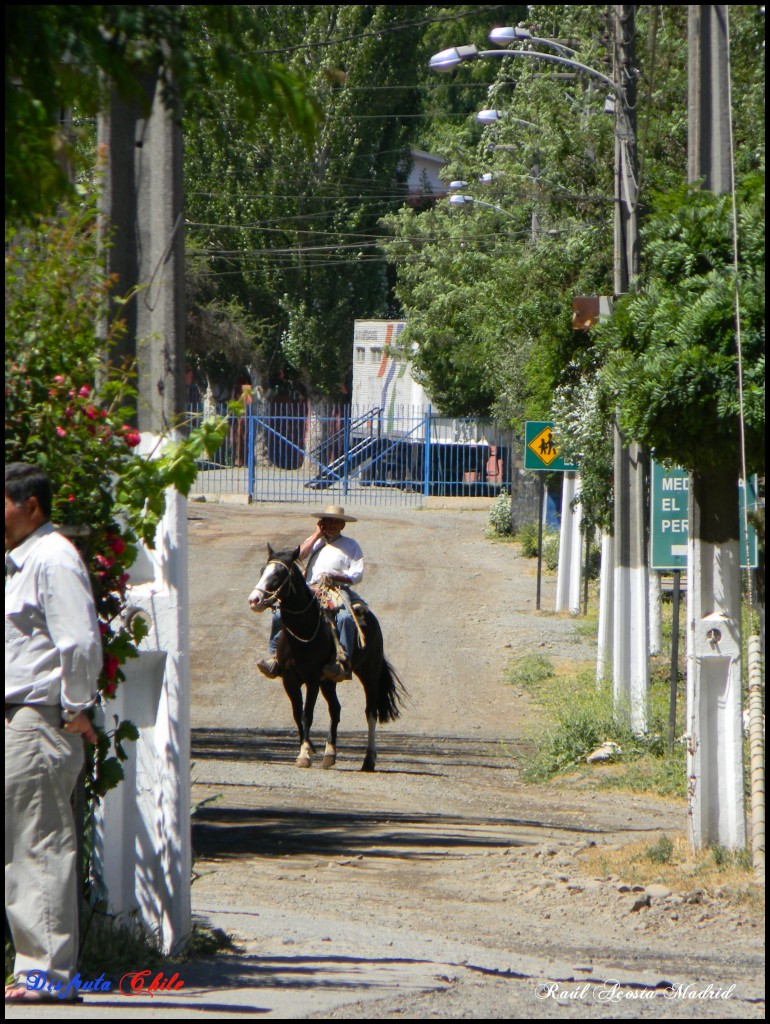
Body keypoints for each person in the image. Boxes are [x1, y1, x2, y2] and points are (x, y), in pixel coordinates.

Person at [5, 463, 102, 1004]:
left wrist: (76, 708)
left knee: (39, 844)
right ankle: (37, 971)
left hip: (40, 719)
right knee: (22, 844)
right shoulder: (21, 562)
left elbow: (80, 641)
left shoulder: (52, 557)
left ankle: (46, 975)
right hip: (22, 719)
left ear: (31, 506)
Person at [257, 505, 364, 683]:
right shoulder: (314, 541)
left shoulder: (351, 545)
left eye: (336, 522)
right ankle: (275, 657)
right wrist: (316, 535)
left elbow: (357, 574)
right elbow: (297, 556)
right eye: (328, 521)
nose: (331, 525)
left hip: (336, 589)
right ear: (322, 523)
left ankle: (342, 661)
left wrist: (336, 576)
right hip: (310, 588)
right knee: (279, 614)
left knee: (345, 617)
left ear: (342, 525)